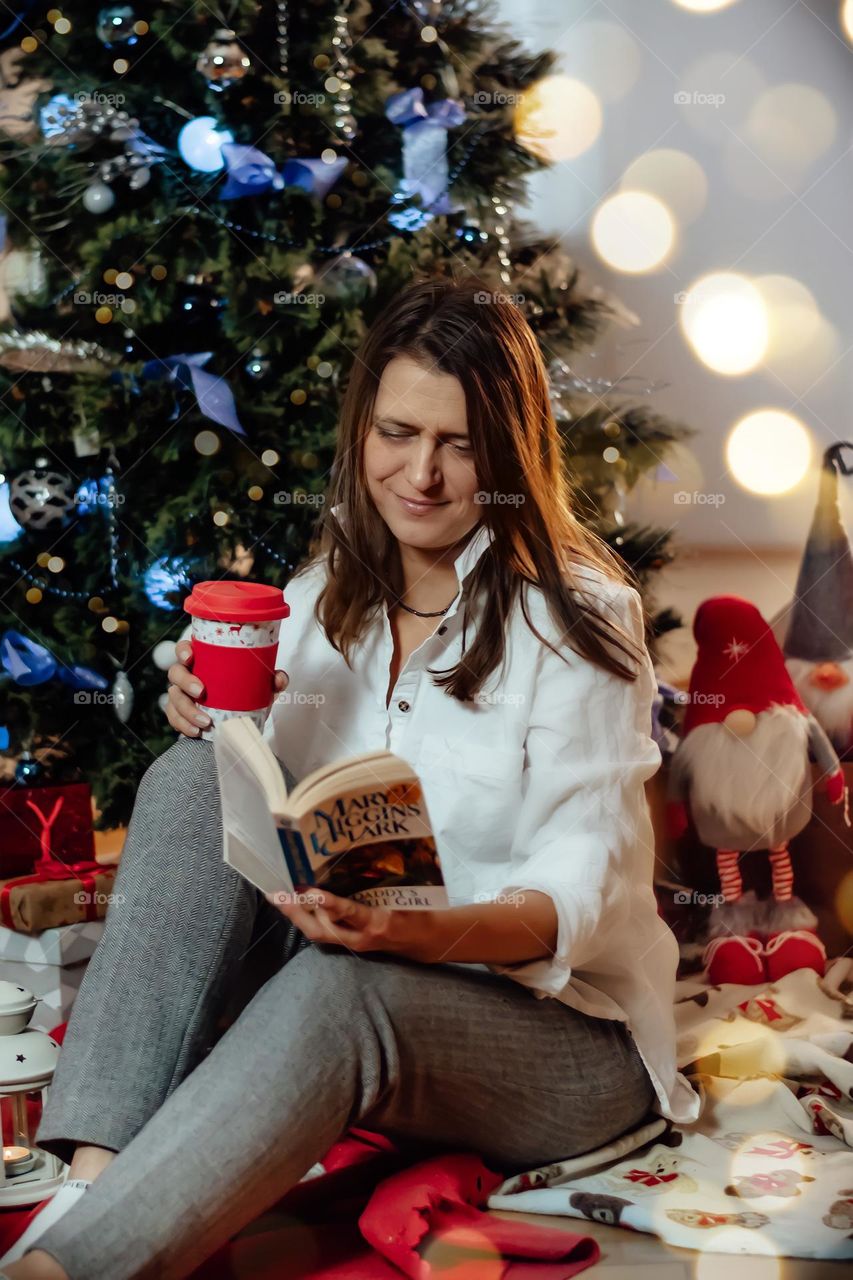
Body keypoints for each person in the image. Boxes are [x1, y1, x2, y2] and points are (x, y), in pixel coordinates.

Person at [1, 276, 700, 1280]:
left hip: (565, 1042)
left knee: (341, 987)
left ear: (506, 452)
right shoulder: (325, 592)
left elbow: (581, 879)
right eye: (397, 432)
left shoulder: (577, 618)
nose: (421, 472)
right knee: (188, 778)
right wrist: (208, 718)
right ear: (359, 428)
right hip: (371, 956)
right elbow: (257, 805)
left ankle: (73, 1267)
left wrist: (416, 934)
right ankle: (93, 1171)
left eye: (459, 445)